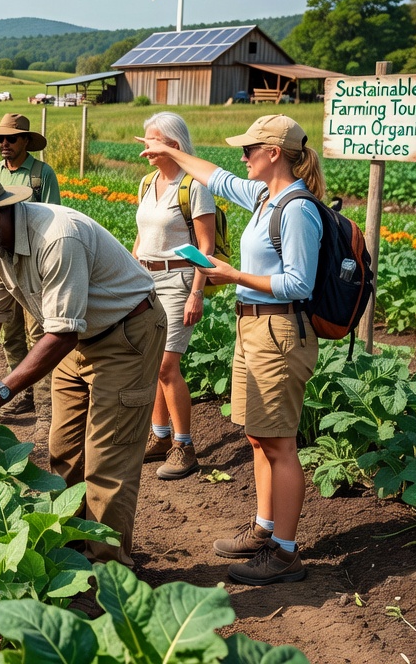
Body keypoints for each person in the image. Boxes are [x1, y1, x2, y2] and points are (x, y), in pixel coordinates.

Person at [0, 168, 163, 567]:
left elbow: (61, 334)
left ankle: (109, 574)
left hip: (125, 336)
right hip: (77, 339)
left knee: (107, 462)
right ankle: (70, 554)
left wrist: (0, 392)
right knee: (64, 451)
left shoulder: (57, 238)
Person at [140, 114, 324, 586]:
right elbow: (215, 176)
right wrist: (170, 151)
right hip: (254, 327)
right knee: (259, 437)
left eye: (248, 149)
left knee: (280, 444)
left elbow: (298, 283)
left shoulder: (297, 208)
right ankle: (264, 529)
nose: (242, 157)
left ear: (274, 153)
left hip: (280, 330)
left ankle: (285, 553)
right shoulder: (263, 195)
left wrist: (232, 274)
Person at [132, 112, 215, 481]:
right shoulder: (148, 182)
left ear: (174, 145)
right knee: (152, 363)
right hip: (146, 279)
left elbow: (206, 248)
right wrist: (131, 275)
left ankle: (185, 446)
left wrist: (197, 292)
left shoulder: (194, 186)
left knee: (167, 366)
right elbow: (141, 237)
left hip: (178, 280)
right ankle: (161, 436)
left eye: (152, 141)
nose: (146, 147)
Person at [0, 113, 60, 414]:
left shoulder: (41, 174)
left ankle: (45, 403)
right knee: (9, 332)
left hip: (33, 265)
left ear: (25, 140)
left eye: (11, 138)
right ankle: (20, 394)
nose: (4, 143)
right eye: (0, 138)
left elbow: (54, 219)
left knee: (38, 332)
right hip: (1, 263)